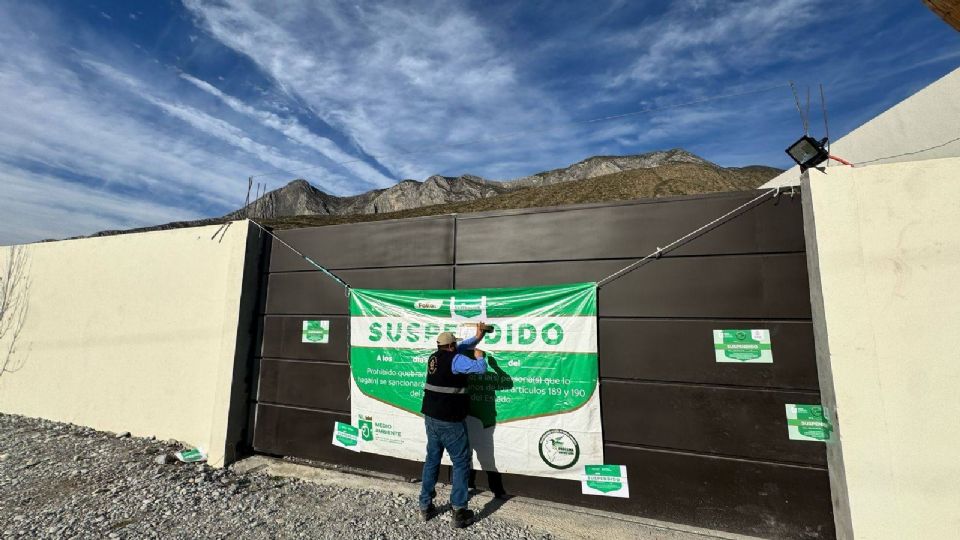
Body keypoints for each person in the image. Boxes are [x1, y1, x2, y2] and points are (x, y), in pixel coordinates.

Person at [418, 323, 489, 528]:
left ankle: (425, 505)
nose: (458, 346)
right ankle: (459, 510)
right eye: (455, 344)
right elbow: (480, 370)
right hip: (450, 421)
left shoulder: (434, 357)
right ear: (451, 346)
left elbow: (460, 346)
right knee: (460, 462)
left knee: (432, 459)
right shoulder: (457, 360)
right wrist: (479, 356)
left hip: (430, 418)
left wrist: (477, 336)